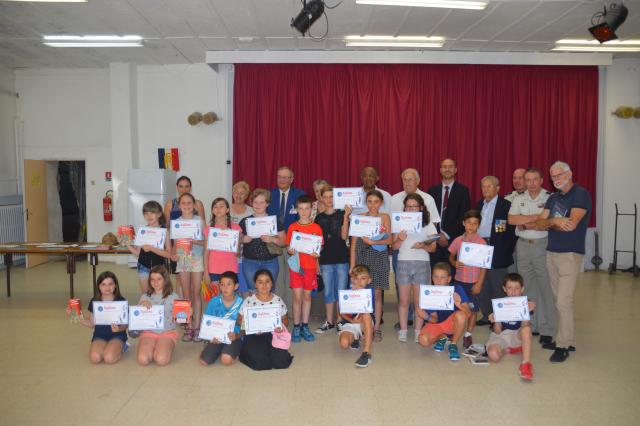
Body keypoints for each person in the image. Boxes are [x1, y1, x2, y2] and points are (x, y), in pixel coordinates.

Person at [536, 161, 591, 363]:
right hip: (552, 253)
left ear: (570, 173)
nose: (556, 179)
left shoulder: (580, 194)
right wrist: (554, 221)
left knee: (563, 301)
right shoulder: (554, 197)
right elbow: (540, 223)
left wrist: (553, 222)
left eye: (559, 175)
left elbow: (571, 225)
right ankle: (566, 338)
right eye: (553, 176)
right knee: (559, 300)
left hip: (569, 255)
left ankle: (563, 345)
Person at [508, 168, 554, 344]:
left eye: (535, 179)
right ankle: (531, 325)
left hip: (542, 246)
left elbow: (547, 223)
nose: (531, 183)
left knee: (545, 287)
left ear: (542, 180)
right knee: (526, 287)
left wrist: (525, 222)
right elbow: (511, 219)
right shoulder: (519, 198)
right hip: (523, 246)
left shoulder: (549, 197)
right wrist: (536, 218)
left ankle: (547, 328)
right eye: (528, 180)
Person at [390, 168, 441, 330]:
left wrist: (424, 245)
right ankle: (405, 324)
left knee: (420, 298)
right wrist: (399, 238)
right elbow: (393, 242)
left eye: (411, 179)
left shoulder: (428, 199)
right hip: (403, 256)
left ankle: (419, 326)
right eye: (405, 179)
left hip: (421, 260)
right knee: (403, 295)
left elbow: (433, 240)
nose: (407, 182)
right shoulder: (394, 199)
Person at [349, 190, 392, 342]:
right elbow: (353, 245)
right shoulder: (359, 218)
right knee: (361, 294)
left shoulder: (385, 217)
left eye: (376, 201)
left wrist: (374, 242)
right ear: (366, 203)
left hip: (379, 258)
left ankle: (377, 328)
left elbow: (389, 241)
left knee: (377, 294)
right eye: (370, 201)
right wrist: (352, 266)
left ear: (381, 203)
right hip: (362, 257)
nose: (373, 205)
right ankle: (361, 326)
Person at [475, 176, 517, 325]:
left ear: (497, 188)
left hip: (497, 249)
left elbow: (512, 233)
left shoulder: (506, 205)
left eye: (489, 186)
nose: (485, 189)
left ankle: (499, 319)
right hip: (480, 247)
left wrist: (507, 250)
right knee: (482, 284)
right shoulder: (479, 204)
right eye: (483, 187)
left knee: (497, 285)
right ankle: (487, 315)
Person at [238, 269, 293, 370]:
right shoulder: (249, 300)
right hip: (254, 335)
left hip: (273, 334)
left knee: (281, 363)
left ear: (272, 284)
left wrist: (280, 326)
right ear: (255, 284)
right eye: (260, 282)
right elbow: (239, 319)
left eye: (267, 281)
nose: (264, 285)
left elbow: (285, 320)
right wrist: (251, 327)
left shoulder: (278, 300)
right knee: (261, 364)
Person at [286, 195, 323, 343]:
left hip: (310, 268)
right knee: (297, 298)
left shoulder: (316, 228)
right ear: (296, 210)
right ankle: (296, 326)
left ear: (311, 209)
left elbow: (318, 249)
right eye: (300, 208)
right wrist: (290, 250)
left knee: (307, 297)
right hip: (296, 268)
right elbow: (289, 247)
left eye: (307, 208)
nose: (304, 211)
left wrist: (316, 254)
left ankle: (305, 326)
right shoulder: (293, 227)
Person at [170, 192, 206, 342]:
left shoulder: (200, 221)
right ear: (179, 205)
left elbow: (206, 243)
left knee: (196, 294)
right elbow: (174, 247)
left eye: (189, 203)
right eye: (183, 203)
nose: (186, 206)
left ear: (194, 205)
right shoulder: (176, 222)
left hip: (197, 258)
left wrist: (194, 242)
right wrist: (173, 255)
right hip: (183, 260)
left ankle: (197, 328)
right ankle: (188, 327)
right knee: (185, 295)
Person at [486, 273, 536, 381]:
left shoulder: (525, 303)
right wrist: (496, 320)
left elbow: (524, 326)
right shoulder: (499, 304)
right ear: (504, 289)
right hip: (501, 336)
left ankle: (526, 364)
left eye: (517, 288)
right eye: (509, 288)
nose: (513, 291)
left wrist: (526, 312)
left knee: (527, 329)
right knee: (493, 355)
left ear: (522, 289)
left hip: (516, 335)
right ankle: (508, 350)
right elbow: (498, 332)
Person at [315, 185, 350, 334]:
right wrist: (316, 263)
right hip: (325, 260)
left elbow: (344, 237)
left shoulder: (342, 214)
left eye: (332, 197)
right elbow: (316, 242)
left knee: (341, 291)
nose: (329, 200)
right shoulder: (319, 218)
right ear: (321, 198)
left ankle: (340, 320)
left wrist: (347, 216)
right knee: (329, 291)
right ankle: (329, 321)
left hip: (342, 258)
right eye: (326, 197)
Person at [417, 262, 471, 362]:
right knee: (423, 341)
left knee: (461, 315)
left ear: (449, 279)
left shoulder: (457, 289)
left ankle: (453, 344)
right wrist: (425, 316)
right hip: (437, 324)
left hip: (452, 324)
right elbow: (435, 319)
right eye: (435, 277)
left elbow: (468, 314)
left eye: (442, 277)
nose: (438, 280)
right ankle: (443, 337)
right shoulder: (429, 293)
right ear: (432, 277)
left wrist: (459, 305)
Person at [448, 209, 487, 348]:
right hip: (459, 281)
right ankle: (454, 331)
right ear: (463, 223)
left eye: (475, 223)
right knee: (458, 307)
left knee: (473, 309)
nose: (471, 226)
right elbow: (451, 256)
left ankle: (468, 334)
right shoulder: (458, 240)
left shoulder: (482, 243)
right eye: (469, 223)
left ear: (478, 225)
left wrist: (479, 283)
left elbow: (484, 266)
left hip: (474, 282)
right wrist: (454, 263)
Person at [239, 188, 286, 291]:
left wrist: (272, 239)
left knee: (269, 292)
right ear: (251, 203)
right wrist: (243, 239)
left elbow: (283, 241)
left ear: (267, 204)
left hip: (270, 262)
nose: (258, 205)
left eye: (261, 202)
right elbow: (236, 240)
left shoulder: (274, 221)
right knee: (253, 292)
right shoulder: (245, 221)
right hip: (250, 262)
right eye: (255, 202)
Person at [427, 158, 471, 265]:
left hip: (453, 241)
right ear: (440, 170)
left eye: (450, 167)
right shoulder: (432, 191)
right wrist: (437, 236)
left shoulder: (463, 191)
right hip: (434, 243)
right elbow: (428, 216)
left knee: (452, 277)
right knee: (434, 277)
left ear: (455, 170)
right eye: (444, 167)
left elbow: (464, 217)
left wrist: (446, 235)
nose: (447, 169)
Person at [164, 176, 206, 281]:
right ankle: (182, 298)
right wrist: (171, 248)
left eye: (187, 186)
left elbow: (203, 229)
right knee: (180, 280)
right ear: (177, 187)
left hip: (196, 249)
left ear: (190, 187)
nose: (184, 189)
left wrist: (193, 238)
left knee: (194, 282)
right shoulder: (170, 203)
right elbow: (167, 226)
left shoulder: (198, 203)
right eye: (181, 186)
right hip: (179, 246)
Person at [80, 271, 128, 364]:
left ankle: (123, 346)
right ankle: (107, 347)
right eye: (103, 284)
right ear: (99, 286)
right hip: (100, 336)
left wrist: (118, 329)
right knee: (95, 358)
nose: (107, 287)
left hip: (117, 335)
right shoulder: (95, 301)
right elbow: (91, 324)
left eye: (110, 284)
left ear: (115, 286)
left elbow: (125, 325)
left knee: (109, 358)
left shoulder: (121, 301)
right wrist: (76, 316)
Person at [137, 265, 180, 366]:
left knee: (161, 360)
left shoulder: (174, 297)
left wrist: (187, 315)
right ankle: (152, 347)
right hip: (149, 332)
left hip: (167, 332)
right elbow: (137, 318)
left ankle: (164, 346)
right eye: (152, 279)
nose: (155, 282)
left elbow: (180, 320)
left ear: (165, 280)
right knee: (143, 359)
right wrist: (141, 306)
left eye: (159, 279)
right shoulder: (145, 297)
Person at [200, 271, 244, 366]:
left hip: (234, 338)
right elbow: (207, 323)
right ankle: (220, 350)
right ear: (219, 286)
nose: (225, 288)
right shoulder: (214, 301)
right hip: (217, 337)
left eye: (229, 284)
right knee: (204, 361)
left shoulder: (242, 303)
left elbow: (245, 328)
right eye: (222, 284)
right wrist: (210, 338)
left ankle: (235, 353)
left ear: (236, 286)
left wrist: (236, 336)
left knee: (226, 360)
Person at [127, 201, 170, 294]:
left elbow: (168, 254)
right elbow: (137, 253)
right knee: (146, 294)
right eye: (146, 213)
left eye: (152, 213)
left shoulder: (164, 231)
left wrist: (152, 248)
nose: (149, 216)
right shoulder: (142, 231)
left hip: (159, 267)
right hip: (143, 266)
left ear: (159, 214)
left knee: (160, 294)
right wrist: (126, 244)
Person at [337, 264, 375, 368]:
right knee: (344, 343)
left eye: (363, 278)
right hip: (351, 323)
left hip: (364, 323)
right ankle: (356, 338)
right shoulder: (347, 292)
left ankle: (366, 353)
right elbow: (341, 313)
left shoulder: (369, 292)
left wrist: (361, 318)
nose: (359, 282)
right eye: (356, 278)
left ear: (369, 280)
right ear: (352, 279)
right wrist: (351, 321)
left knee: (366, 314)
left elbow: (370, 312)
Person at [204, 198, 241, 288]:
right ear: (212, 210)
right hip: (214, 269)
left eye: (221, 206)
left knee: (229, 297)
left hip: (230, 268)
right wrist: (206, 272)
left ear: (227, 209)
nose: (218, 209)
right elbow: (206, 253)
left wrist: (235, 246)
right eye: (215, 207)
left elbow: (238, 253)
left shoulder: (235, 228)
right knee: (217, 299)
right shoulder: (209, 229)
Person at [230, 181, 254, 296]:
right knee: (230, 287)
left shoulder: (252, 211)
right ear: (232, 193)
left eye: (242, 193)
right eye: (236, 192)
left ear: (247, 195)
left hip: (245, 254)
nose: (238, 196)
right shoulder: (225, 209)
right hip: (228, 254)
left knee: (244, 288)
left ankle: (245, 313)